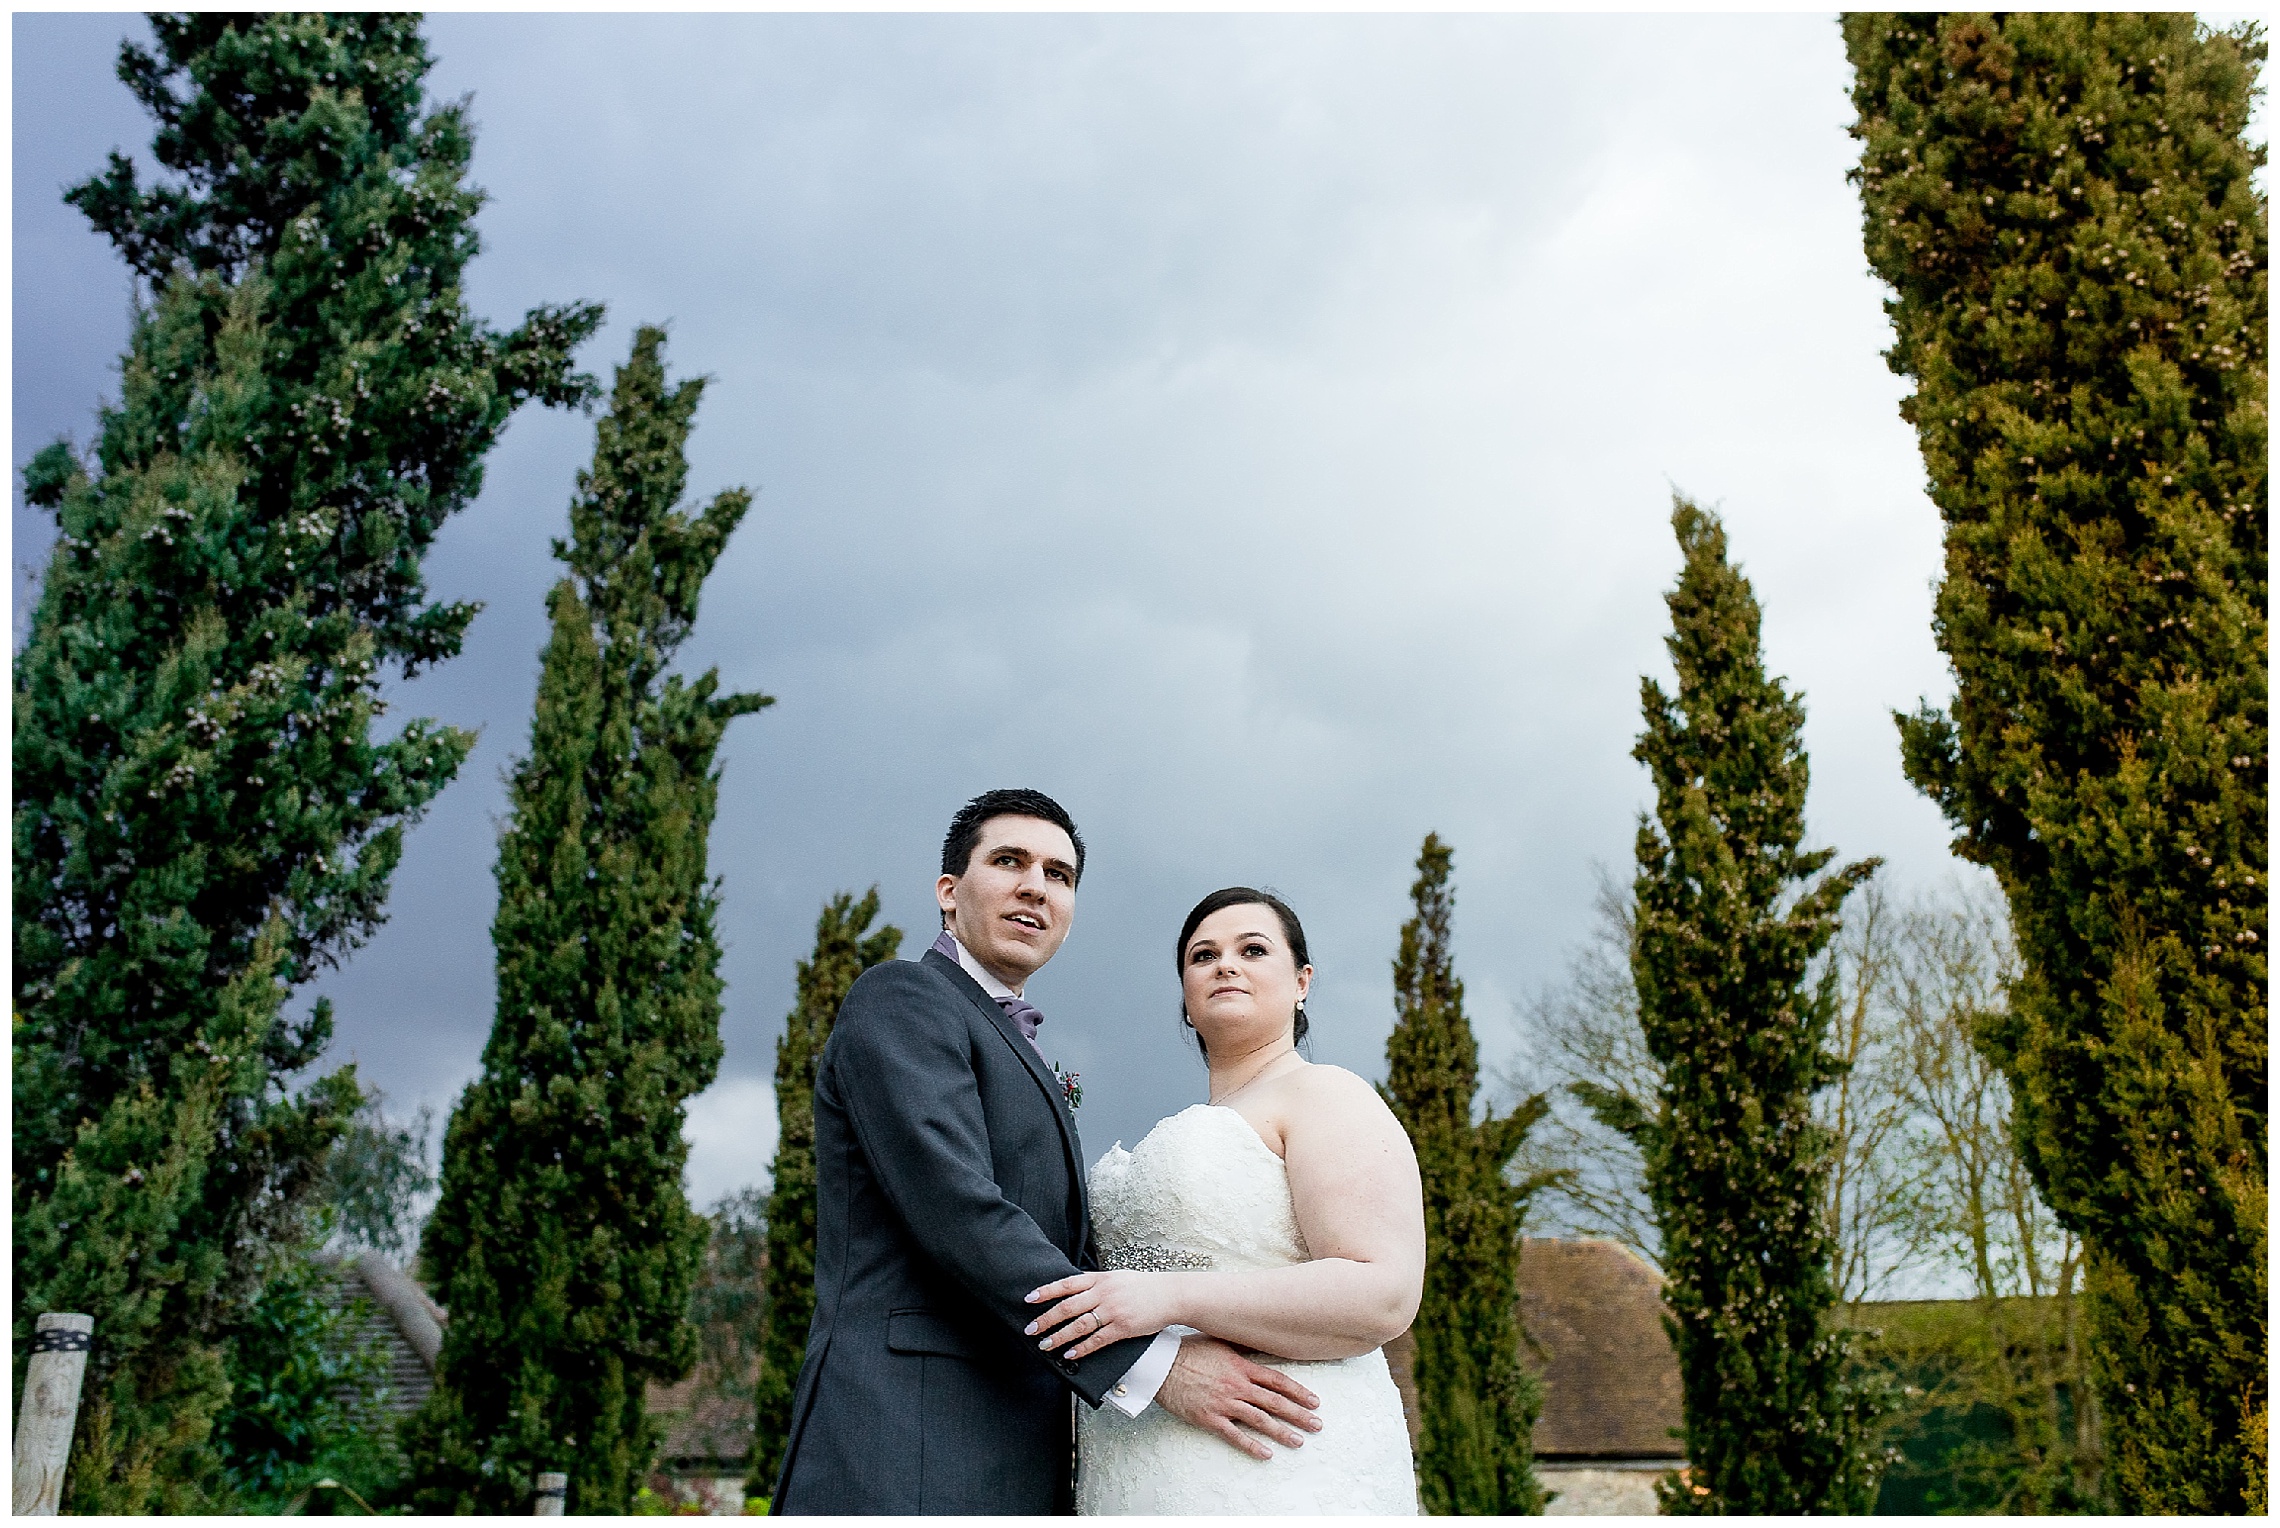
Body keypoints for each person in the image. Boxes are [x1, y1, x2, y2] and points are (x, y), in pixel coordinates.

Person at [771, 792, 1322, 1515]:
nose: (1037, 884)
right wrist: (1154, 1366)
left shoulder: (1010, 1041)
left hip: (1018, 1447)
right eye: (1009, 861)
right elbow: (960, 1212)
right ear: (948, 893)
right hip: (904, 1438)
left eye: (1059, 875)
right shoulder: (901, 1000)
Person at [1027, 886, 1425, 1515]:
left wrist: (1169, 1298)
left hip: (1279, 1457)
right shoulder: (1183, 1123)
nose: (1225, 965)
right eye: (1202, 955)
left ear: (1302, 981)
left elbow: (1383, 1292)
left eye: (1253, 949)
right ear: (1186, 997)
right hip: (1138, 1460)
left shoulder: (1325, 1096)